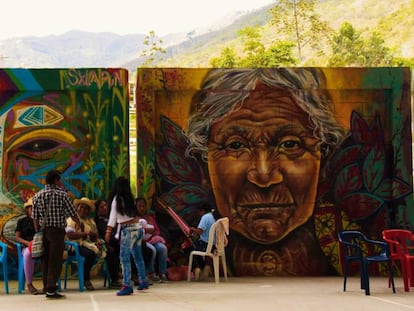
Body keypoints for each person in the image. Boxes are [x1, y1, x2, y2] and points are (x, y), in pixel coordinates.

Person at [185, 68, 347, 276]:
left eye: (290, 144)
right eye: (235, 146)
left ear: (322, 159)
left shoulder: (354, 243)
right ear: (204, 164)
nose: (263, 176)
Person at [32, 169, 81, 299]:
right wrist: (79, 223)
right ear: (55, 180)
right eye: (59, 179)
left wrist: (38, 231)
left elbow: (35, 218)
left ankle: (46, 286)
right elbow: (72, 213)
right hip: (57, 231)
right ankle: (51, 289)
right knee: (55, 259)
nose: (61, 182)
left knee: (45, 259)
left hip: (43, 231)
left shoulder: (37, 196)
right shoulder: (62, 195)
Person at [105, 176, 148, 296]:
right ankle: (143, 280)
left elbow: (113, 218)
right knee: (138, 256)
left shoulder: (116, 199)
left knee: (124, 258)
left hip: (128, 231)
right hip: (138, 229)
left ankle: (127, 285)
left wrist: (108, 232)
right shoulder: (130, 198)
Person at [66, 197, 102, 291]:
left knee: (108, 252)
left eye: (86, 208)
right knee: (90, 254)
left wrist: (94, 236)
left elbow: (95, 236)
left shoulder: (90, 222)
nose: (83, 210)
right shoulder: (72, 220)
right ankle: (86, 279)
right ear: (77, 208)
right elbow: (70, 235)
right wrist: (85, 234)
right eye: (81, 207)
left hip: (87, 244)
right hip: (74, 246)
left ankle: (114, 279)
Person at [136, 197, 169, 283]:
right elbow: (136, 232)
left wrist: (155, 234)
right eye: (139, 206)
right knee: (152, 250)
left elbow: (157, 230)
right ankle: (151, 273)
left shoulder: (150, 218)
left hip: (152, 240)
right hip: (142, 242)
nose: (142, 208)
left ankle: (162, 273)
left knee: (163, 248)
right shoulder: (135, 219)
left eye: (143, 206)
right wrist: (146, 230)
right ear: (136, 207)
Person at [15, 198, 41, 294]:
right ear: (27, 209)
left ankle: (49, 283)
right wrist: (28, 243)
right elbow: (17, 237)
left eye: (36, 208)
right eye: (31, 208)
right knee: (27, 255)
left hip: (40, 245)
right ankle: (29, 284)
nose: (34, 210)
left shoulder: (40, 221)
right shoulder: (21, 221)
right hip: (27, 246)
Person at [94, 199, 122, 287]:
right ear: (97, 210)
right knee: (110, 252)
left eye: (105, 206)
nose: (105, 208)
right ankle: (115, 279)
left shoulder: (110, 219)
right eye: (102, 207)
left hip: (114, 242)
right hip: (102, 243)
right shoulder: (96, 221)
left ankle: (131, 274)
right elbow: (100, 235)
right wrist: (107, 245)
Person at [188, 202, 217, 280]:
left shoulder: (205, 217)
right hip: (212, 245)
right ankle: (204, 268)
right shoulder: (211, 217)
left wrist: (192, 229)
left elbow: (200, 231)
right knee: (194, 246)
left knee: (189, 248)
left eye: (199, 211)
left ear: (203, 211)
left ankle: (201, 268)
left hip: (206, 244)